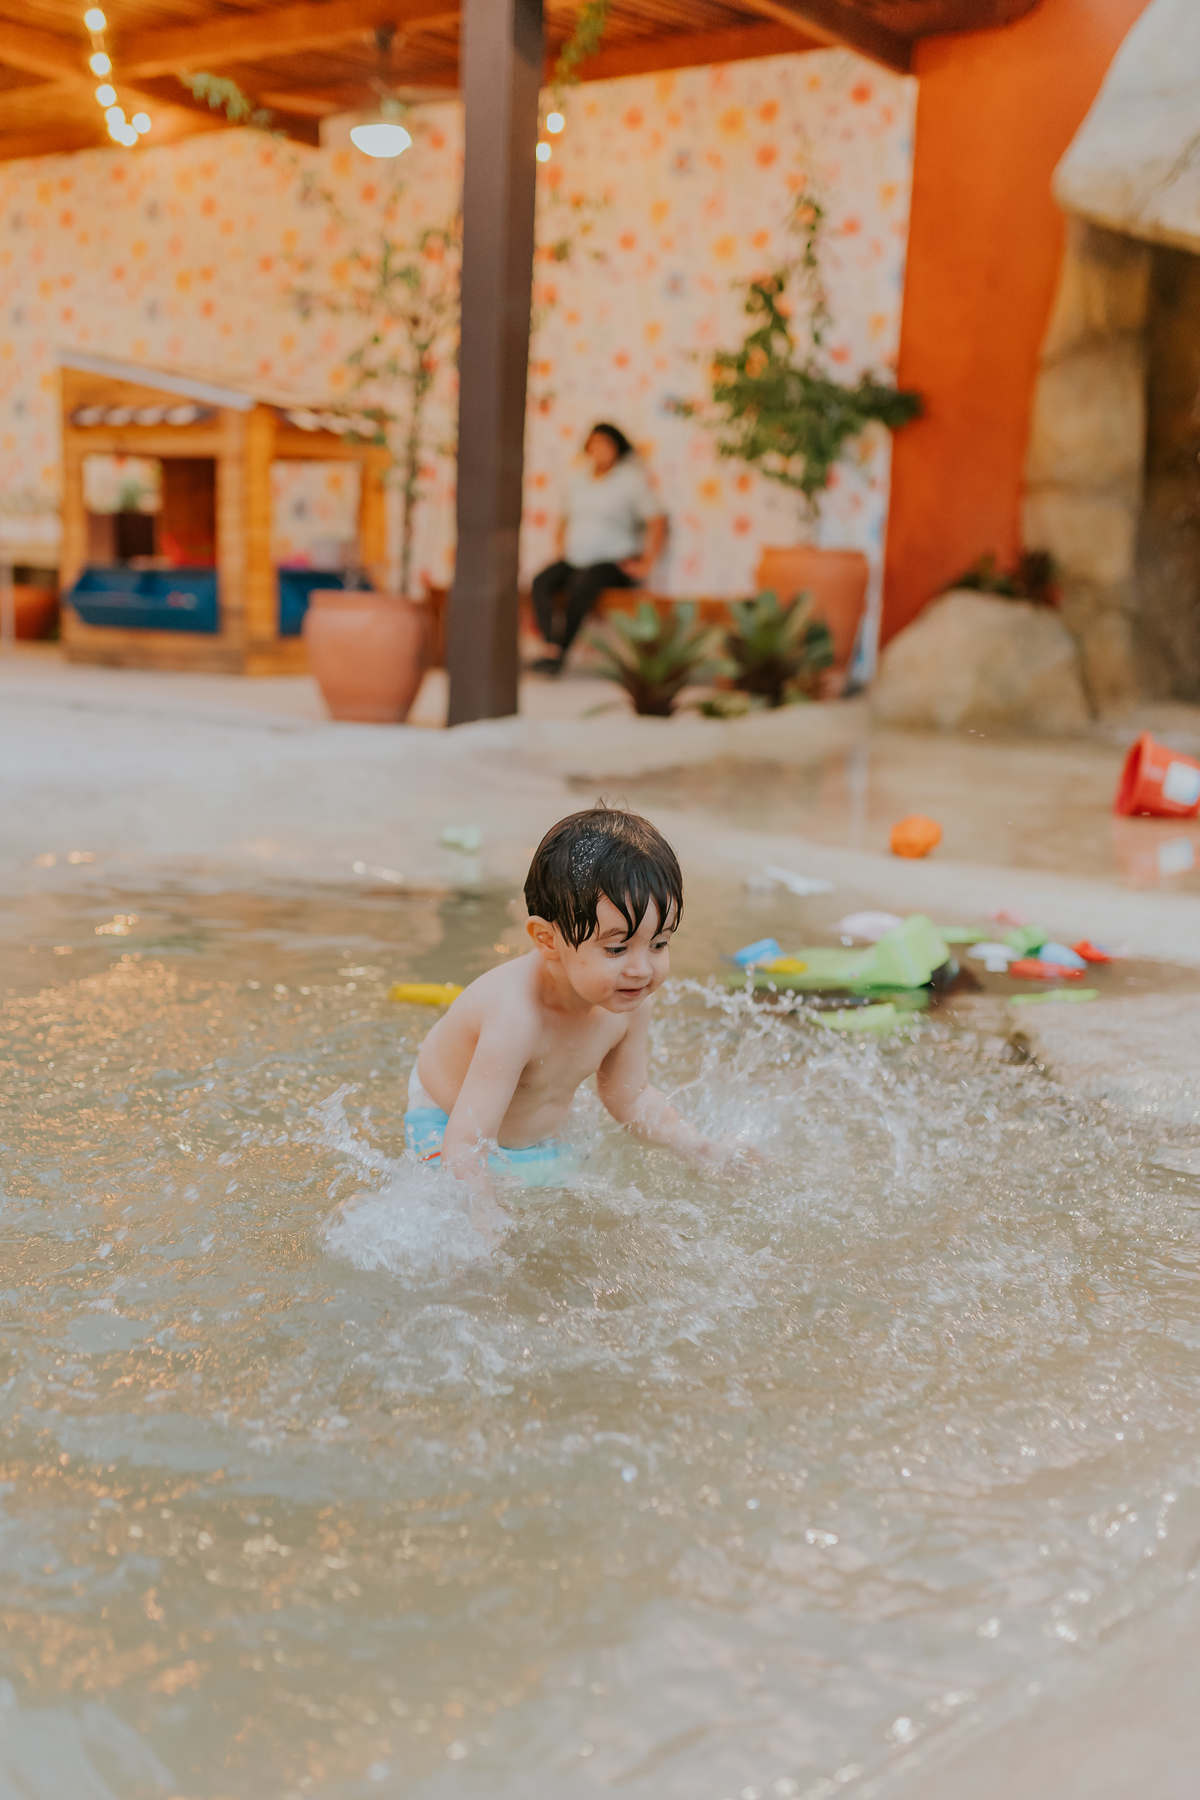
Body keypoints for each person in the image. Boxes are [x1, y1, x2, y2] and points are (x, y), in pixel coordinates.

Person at [404, 807, 755, 1211]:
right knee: (446, 1217)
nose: (641, 969)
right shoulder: (515, 1018)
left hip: (535, 1139)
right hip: (447, 1122)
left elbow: (632, 1097)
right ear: (547, 940)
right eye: (616, 948)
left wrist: (702, 1149)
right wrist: (481, 1226)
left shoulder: (627, 1002)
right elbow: (465, 1146)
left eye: (659, 943)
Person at [530, 423, 667, 675]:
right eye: (594, 444)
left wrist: (647, 562)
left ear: (617, 448)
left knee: (581, 586)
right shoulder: (578, 480)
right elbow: (564, 518)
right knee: (540, 581)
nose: (599, 450)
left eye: (605, 445)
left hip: (612, 561)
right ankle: (550, 645)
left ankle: (559, 652)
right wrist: (562, 547)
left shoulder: (630, 480)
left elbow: (656, 520)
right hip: (575, 558)